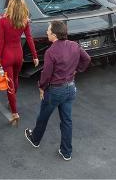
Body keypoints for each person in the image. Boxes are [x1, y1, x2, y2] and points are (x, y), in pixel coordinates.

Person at [25, 21, 91, 161]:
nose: (46, 32)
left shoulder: (51, 52)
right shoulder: (74, 45)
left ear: (54, 35)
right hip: (70, 88)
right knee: (66, 120)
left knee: (43, 117)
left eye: (48, 30)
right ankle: (66, 152)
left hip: (55, 91)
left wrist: (41, 87)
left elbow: (46, 74)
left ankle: (35, 139)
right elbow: (87, 59)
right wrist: (76, 71)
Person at [0, 0, 39, 126]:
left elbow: (1, 41)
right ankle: (12, 100)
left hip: (7, 56)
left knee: (10, 86)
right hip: (18, 55)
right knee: (15, 79)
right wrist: (35, 56)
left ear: (10, 7)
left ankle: (14, 112)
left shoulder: (3, 21)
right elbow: (30, 38)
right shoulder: (25, 21)